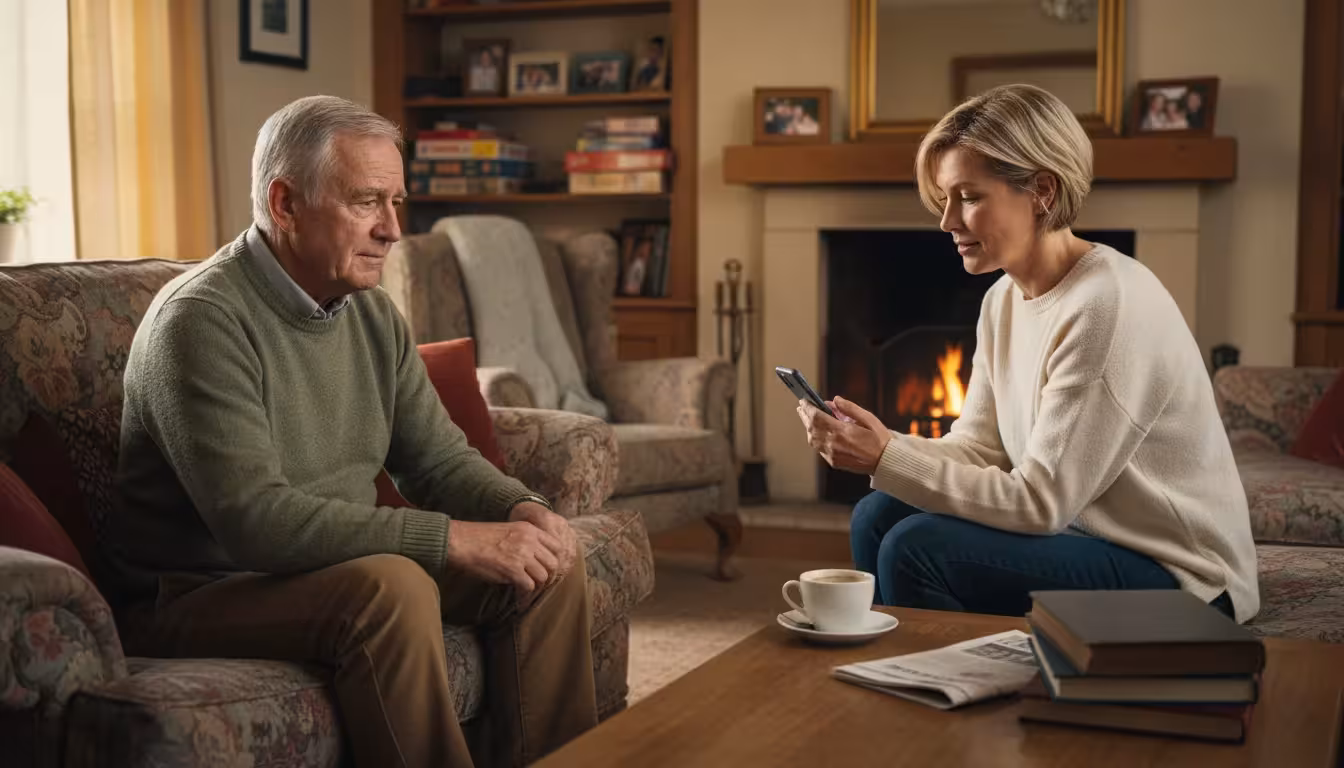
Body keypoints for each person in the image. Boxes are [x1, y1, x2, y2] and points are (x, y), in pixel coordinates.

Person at [115, 95, 597, 768]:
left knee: (543, 563)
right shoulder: (200, 322)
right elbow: (257, 523)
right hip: (202, 591)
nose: (393, 229)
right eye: (367, 201)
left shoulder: (370, 314)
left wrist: (522, 511)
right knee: (392, 586)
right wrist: (454, 539)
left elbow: (436, 459)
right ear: (285, 204)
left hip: (324, 569)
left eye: (397, 202)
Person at [795, 84, 1258, 624]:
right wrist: (880, 445)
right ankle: (911, 672)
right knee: (877, 513)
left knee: (916, 546)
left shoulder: (1106, 303)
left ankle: (953, 693)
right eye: (944, 199)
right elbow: (980, 449)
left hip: (1183, 576)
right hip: (1083, 535)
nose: (947, 221)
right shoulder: (1003, 299)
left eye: (968, 197)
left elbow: (1041, 502)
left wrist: (884, 459)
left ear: (1041, 190)